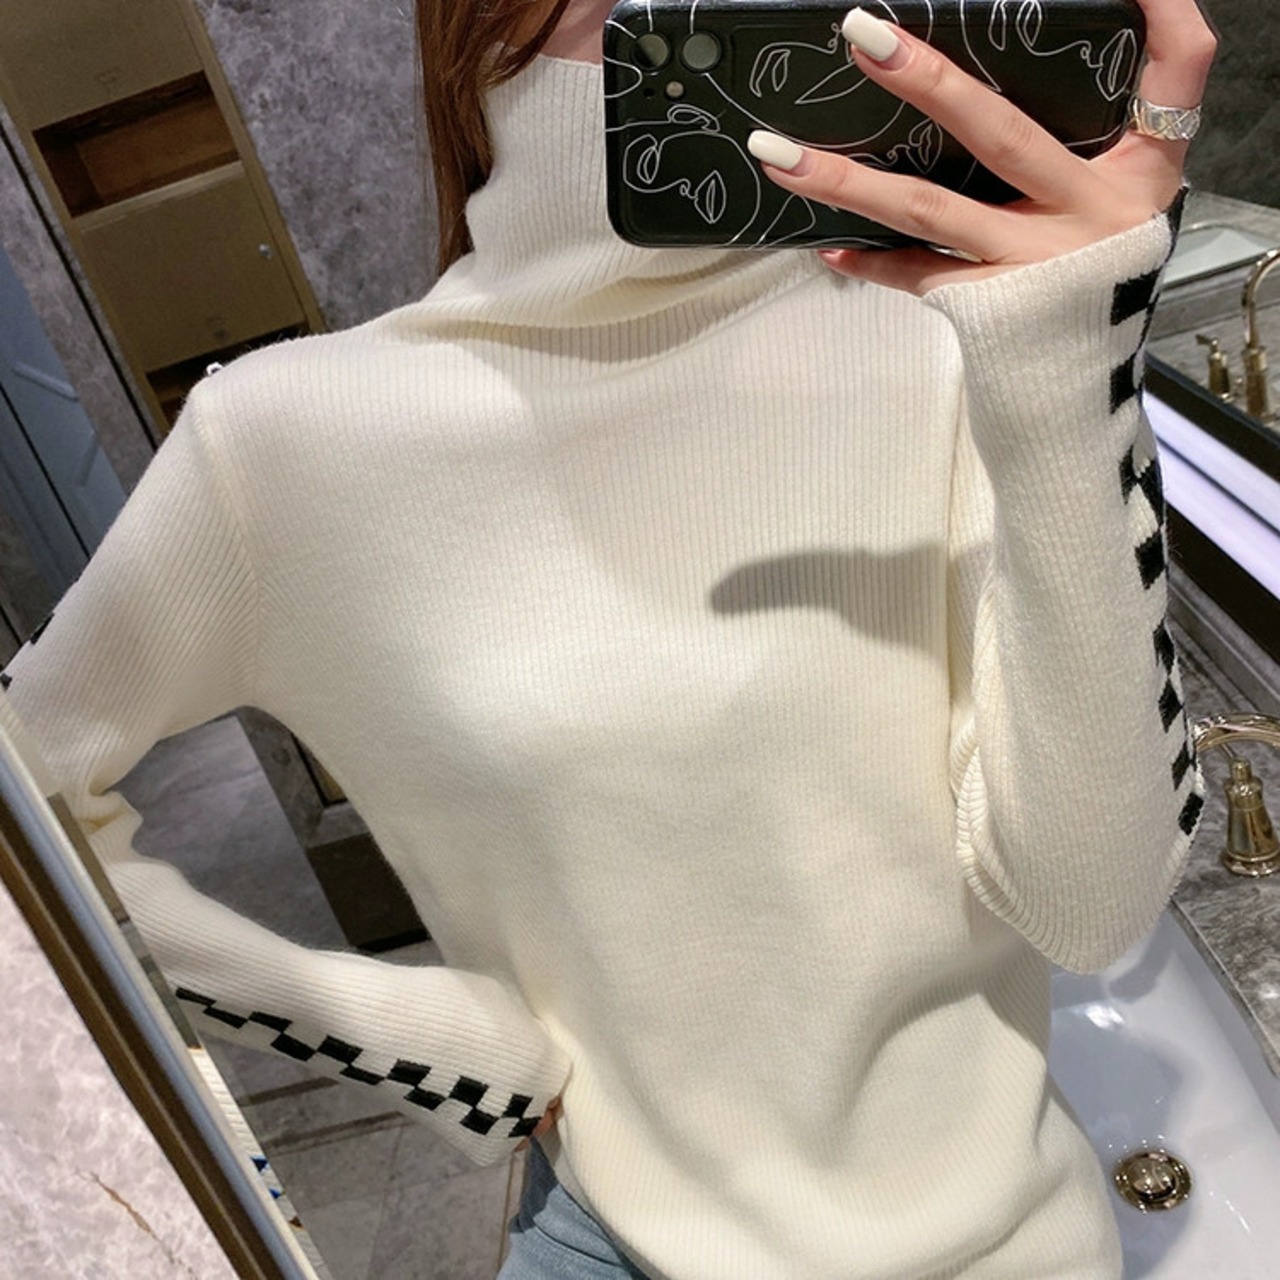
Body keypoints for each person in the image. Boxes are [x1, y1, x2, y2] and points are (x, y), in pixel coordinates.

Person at [3, 0, 1216, 1275]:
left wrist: (1068, 364)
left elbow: (1087, 907)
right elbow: (25, 823)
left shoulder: (960, 334)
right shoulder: (283, 444)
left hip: (1009, 1244)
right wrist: (411, 1039)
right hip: (607, 1241)